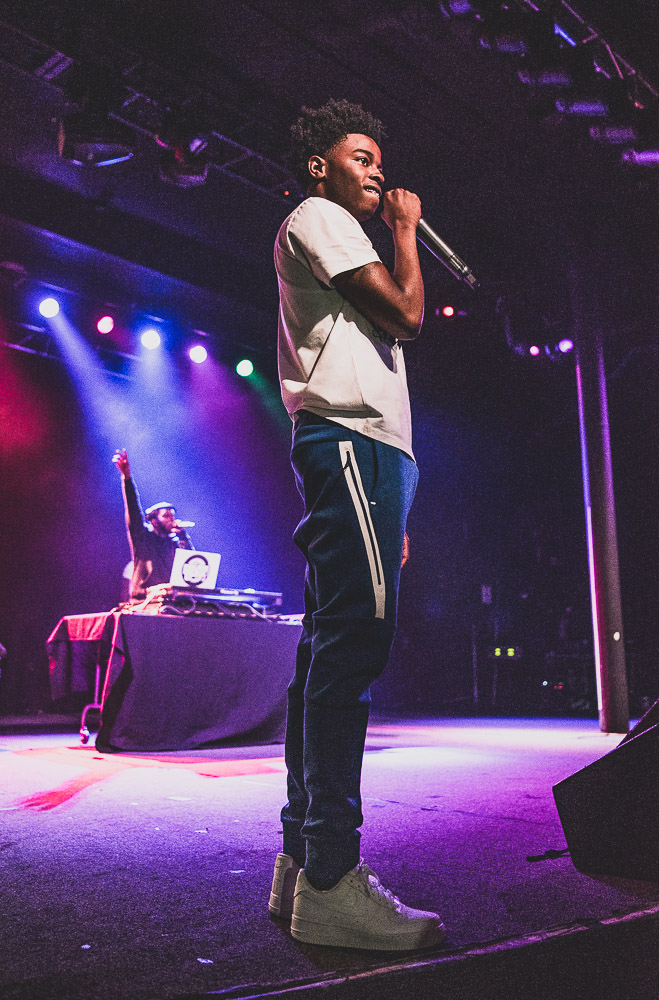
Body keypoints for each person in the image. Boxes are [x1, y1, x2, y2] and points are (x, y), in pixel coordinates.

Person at [269, 99, 445, 950]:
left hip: (368, 457)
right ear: (320, 167)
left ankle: (300, 859)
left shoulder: (334, 227)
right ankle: (331, 876)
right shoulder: (321, 219)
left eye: (381, 160)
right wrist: (406, 232)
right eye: (361, 156)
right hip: (352, 445)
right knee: (351, 650)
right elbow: (406, 314)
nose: (377, 171)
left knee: (325, 649)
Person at [112, 449, 193, 601]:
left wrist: (183, 535)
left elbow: (192, 565)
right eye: (166, 516)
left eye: (173, 516)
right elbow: (133, 510)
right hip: (144, 602)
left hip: (169, 601)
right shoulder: (143, 538)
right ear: (154, 521)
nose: (171, 519)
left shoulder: (174, 543)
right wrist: (127, 478)